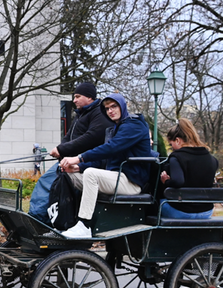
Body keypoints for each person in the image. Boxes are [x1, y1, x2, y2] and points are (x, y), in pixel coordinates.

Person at [59, 93, 154, 238]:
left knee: (91, 174)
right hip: (115, 178)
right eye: (107, 108)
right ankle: (66, 221)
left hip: (131, 182)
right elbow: (104, 159)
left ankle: (84, 225)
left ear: (122, 106)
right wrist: (77, 168)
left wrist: (78, 158)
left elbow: (111, 148)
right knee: (70, 174)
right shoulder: (114, 129)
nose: (110, 111)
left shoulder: (134, 125)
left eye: (114, 106)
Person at [28, 82, 113, 225]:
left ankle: (40, 222)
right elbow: (68, 137)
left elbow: (90, 137)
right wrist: (59, 149)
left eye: (78, 96)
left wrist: (62, 150)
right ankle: (35, 218)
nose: (74, 100)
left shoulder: (99, 114)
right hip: (68, 160)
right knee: (45, 181)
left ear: (90, 97)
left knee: (53, 185)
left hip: (84, 163)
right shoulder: (80, 114)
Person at [159, 118, 219, 219]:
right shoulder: (211, 159)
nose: (171, 148)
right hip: (206, 212)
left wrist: (166, 181)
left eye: (171, 144)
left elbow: (178, 181)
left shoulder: (176, 157)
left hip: (181, 212)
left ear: (177, 140)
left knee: (159, 202)